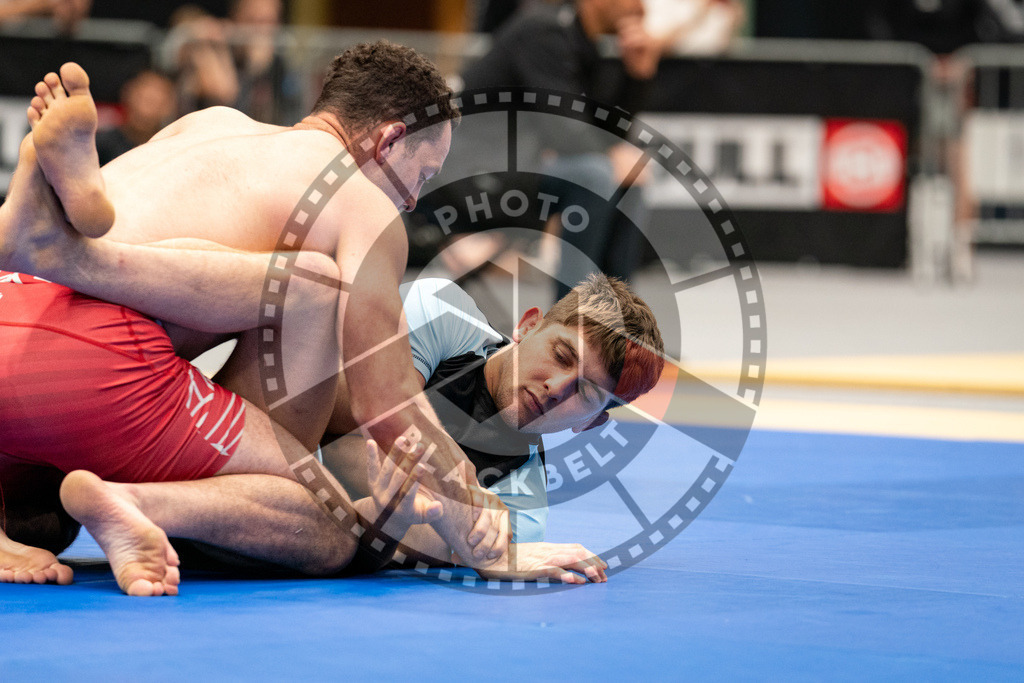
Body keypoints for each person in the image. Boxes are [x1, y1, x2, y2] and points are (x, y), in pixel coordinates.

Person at [0, 45, 519, 592]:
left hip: (15, 304)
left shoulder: (208, 123)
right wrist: (482, 519)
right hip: (93, 359)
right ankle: (142, 500)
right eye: (423, 172)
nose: (413, 200)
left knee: (45, 526)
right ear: (388, 140)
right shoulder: (359, 199)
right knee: (329, 526)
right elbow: (386, 405)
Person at [450, 0, 663, 299]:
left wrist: (638, 75)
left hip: (519, 165)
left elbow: (601, 132)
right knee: (595, 175)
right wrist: (612, 158)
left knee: (627, 179)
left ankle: (613, 319)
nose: (638, 5)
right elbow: (566, 131)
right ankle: (570, 319)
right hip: (472, 173)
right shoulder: (544, 30)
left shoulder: (582, 41)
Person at [95, 70, 178, 166]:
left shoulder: (173, 148)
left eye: (153, 101)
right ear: (127, 94)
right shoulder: (101, 145)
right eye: (143, 98)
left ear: (169, 106)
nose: (146, 111)